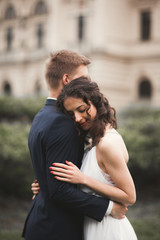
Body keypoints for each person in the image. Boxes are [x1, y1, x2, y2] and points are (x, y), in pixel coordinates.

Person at [22, 50, 127, 240]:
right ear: (67, 80)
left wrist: (43, 185)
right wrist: (110, 208)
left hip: (42, 222)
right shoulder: (62, 122)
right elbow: (60, 190)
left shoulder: (42, 116)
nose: (89, 83)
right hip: (57, 229)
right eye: (84, 78)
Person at [47, 77, 137, 240]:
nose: (77, 118)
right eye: (71, 113)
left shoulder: (107, 144)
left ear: (96, 103)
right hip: (94, 227)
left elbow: (130, 196)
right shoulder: (95, 142)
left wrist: (83, 179)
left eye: (81, 109)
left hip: (109, 231)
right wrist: (46, 184)